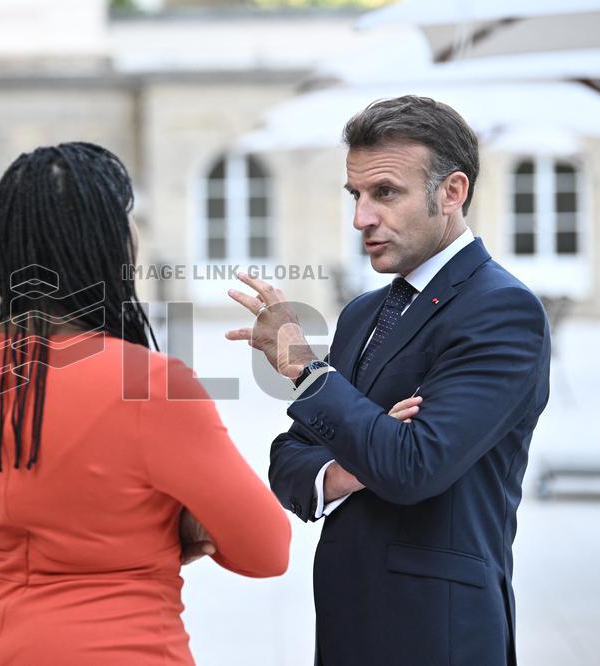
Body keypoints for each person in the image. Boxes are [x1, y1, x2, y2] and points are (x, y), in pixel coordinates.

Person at [226, 96, 550, 665]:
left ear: (452, 192)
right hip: (347, 620)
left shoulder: (502, 310)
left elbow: (410, 468)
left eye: (386, 193)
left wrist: (306, 368)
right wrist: (356, 465)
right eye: (356, 195)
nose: (361, 218)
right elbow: (289, 459)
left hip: (438, 632)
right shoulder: (362, 312)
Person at [0, 142, 291, 666]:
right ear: (106, 240)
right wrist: (178, 526)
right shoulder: (148, 384)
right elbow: (268, 550)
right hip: (116, 645)